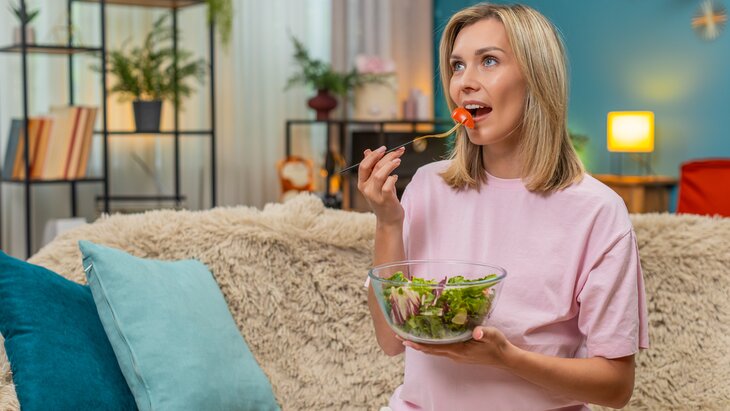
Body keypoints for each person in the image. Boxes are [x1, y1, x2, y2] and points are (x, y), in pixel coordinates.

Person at [357, 3, 649, 410]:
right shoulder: (426, 186)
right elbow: (391, 340)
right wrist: (388, 222)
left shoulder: (597, 211)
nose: (464, 83)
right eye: (457, 66)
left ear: (537, 77)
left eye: (489, 61)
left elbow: (615, 387)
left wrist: (507, 358)